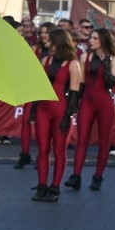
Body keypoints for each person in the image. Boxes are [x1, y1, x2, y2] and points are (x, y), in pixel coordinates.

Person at [31, 30, 82, 203]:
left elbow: (75, 93)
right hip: (43, 110)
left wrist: (68, 117)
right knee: (43, 149)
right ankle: (42, 185)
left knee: (59, 150)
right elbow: (38, 87)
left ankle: (55, 187)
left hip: (61, 111)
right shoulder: (45, 60)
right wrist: (33, 110)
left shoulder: (73, 64)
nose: (46, 43)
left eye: (49, 40)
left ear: (58, 42)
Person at [69, 28, 115, 191]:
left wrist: (105, 64)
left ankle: (98, 176)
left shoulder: (114, 59)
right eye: (90, 37)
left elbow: (112, 83)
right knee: (82, 139)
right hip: (87, 101)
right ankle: (76, 176)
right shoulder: (85, 57)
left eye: (94, 38)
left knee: (104, 141)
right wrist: (74, 103)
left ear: (103, 40)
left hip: (105, 103)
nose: (90, 40)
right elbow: (81, 82)